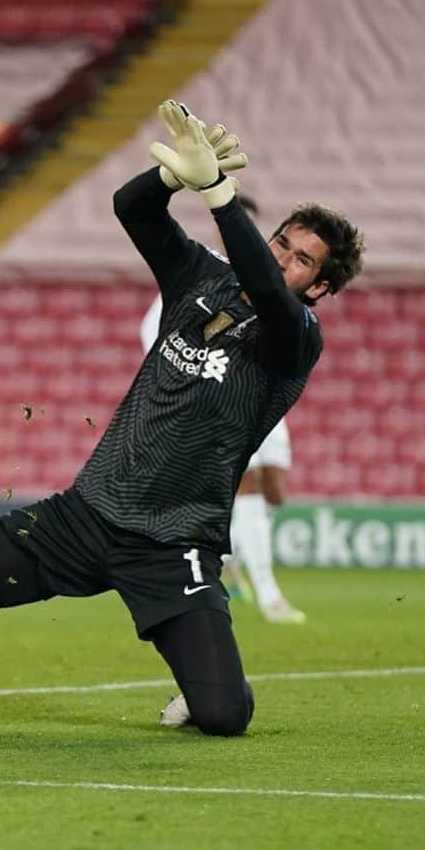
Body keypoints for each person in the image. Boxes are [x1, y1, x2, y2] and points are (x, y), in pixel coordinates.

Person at [0, 100, 364, 736]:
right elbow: (133, 209)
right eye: (280, 243)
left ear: (318, 289)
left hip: (174, 543)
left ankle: (211, 684)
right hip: (86, 516)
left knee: (223, 717)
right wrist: (173, 180)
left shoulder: (296, 336)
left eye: (302, 260)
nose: (282, 258)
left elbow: (268, 292)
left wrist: (219, 196)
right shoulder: (199, 277)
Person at [140, 195, 306, 624]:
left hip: (267, 397)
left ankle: (232, 552)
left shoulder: (273, 283)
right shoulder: (204, 274)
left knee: (274, 492)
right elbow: (157, 334)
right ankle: (269, 596)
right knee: (245, 484)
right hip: (220, 399)